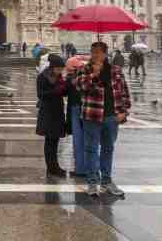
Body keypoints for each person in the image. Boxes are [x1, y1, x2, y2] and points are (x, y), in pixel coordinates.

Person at [76, 42, 130, 198]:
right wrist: (94, 74)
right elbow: (79, 87)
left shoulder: (116, 70)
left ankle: (106, 181)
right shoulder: (84, 70)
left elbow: (124, 92)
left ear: (105, 54)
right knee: (91, 149)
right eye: (93, 52)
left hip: (112, 117)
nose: (95, 55)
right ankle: (92, 182)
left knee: (108, 148)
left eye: (98, 52)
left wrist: (124, 112)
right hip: (91, 116)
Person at [36, 54, 68, 178]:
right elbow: (41, 94)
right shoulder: (42, 77)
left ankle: (55, 166)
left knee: (55, 141)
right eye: (58, 68)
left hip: (57, 111)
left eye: (61, 69)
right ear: (52, 67)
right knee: (50, 141)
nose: (60, 71)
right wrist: (56, 91)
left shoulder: (58, 77)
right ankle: (51, 167)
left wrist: (65, 88)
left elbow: (62, 92)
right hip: (47, 112)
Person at [64, 56, 87, 177]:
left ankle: (80, 169)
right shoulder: (88, 76)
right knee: (89, 140)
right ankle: (91, 167)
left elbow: (64, 92)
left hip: (76, 108)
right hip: (88, 109)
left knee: (78, 139)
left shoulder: (72, 79)